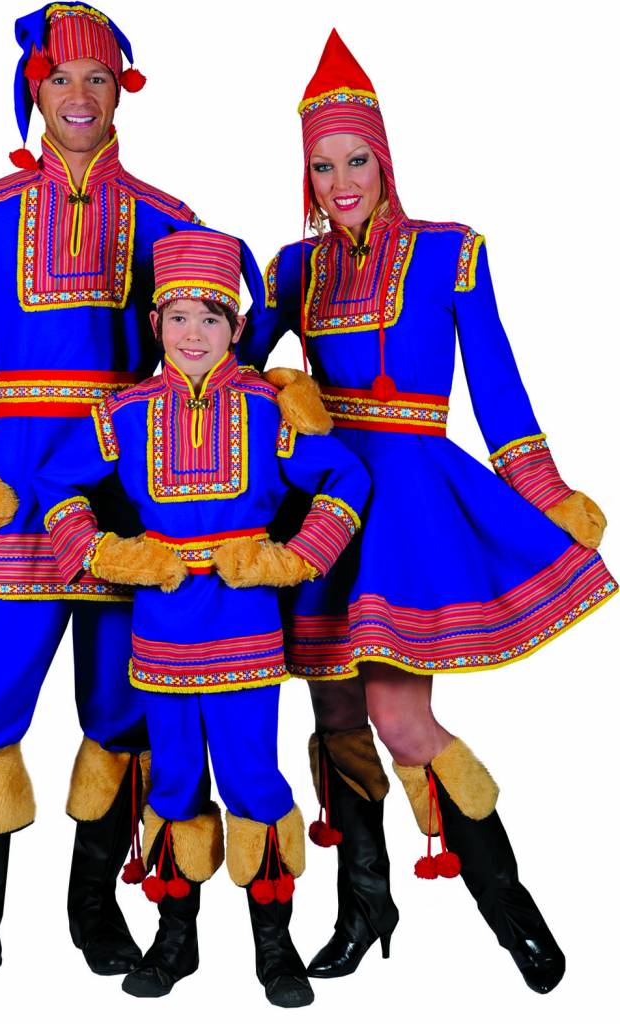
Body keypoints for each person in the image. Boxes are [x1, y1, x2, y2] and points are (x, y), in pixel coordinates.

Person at [239, 29, 616, 995]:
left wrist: (549, 494)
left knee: (402, 719)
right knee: (334, 716)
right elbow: (228, 372)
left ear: (384, 158)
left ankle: (511, 910)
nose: (339, 182)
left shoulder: (452, 252)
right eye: (321, 167)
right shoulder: (291, 268)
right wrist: (282, 393)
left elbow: (499, 390)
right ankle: (365, 905)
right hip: (326, 504)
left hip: (410, 506)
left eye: (354, 160)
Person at [0, 1, 214, 1000]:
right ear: (36, 88)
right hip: (15, 497)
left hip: (130, 496)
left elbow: (212, 341)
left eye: (98, 78)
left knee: (121, 709)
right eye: (61, 78)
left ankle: (93, 906)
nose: (79, 96)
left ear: (121, 91)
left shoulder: (168, 218)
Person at [34, 229, 371, 1007]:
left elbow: (346, 477)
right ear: (156, 325)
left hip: (245, 625)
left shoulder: (268, 406)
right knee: (175, 778)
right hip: (160, 631)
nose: (194, 334)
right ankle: (174, 939)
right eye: (179, 317)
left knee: (253, 775)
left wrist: (295, 557)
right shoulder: (123, 412)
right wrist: (108, 554)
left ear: (235, 326)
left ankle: (275, 948)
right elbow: (56, 484)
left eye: (212, 318)